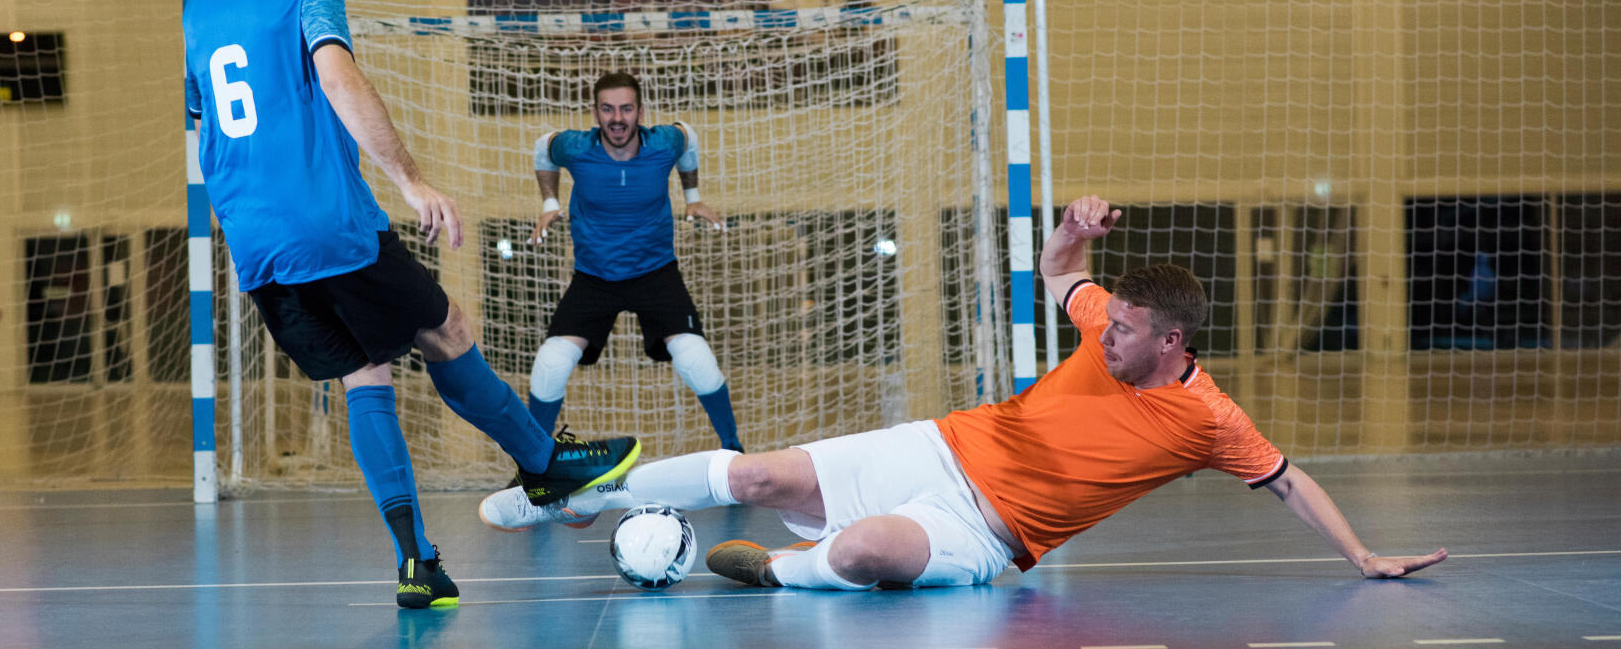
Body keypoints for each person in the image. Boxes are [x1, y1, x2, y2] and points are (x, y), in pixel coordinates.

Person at [479, 194, 1448, 590]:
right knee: (761, 473)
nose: (1102, 330)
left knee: (859, 552)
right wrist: (1073, 225)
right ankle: (572, 491)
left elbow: (1287, 478)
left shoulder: (1208, 416)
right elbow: (1062, 266)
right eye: (1104, 321)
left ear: (1172, 340)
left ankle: (779, 573)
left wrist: (1363, 553)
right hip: (938, 445)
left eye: (1122, 331)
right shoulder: (1108, 313)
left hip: (986, 533)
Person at [181, 0, 639, 609]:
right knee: (447, 329)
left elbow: (202, 130)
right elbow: (336, 76)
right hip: (327, 222)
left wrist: (245, 224)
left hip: (255, 243)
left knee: (366, 372)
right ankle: (543, 463)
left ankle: (417, 563)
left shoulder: (199, 5)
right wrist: (411, 181)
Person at [523, 72, 743, 454]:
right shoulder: (576, 148)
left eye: (626, 108)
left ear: (641, 111)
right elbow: (543, 147)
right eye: (607, 109)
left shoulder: (664, 142)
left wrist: (692, 196)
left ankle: (733, 450)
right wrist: (550, 205)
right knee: (550, 365)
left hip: (656, 274)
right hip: (594, 278)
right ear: (595, 113)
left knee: (697, 360)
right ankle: (534, 462)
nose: (617, 118)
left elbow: (688, 134)